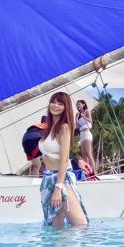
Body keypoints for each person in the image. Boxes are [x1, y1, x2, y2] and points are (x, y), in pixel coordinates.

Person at [39, 92, 88, 228]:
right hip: (49, 178)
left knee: (80, 225)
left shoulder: (64, 128)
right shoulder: (49, 128)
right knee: (56, 229)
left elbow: (64, 159)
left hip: (62, 180)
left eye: (60, 104)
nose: (56, 106)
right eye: (53, 102)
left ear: (66, 108)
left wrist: (58, 187)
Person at [75, 99, 96, 174]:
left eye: (79, 104)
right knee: (84, 154)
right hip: (81, 134)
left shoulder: (87, 111)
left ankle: (94, 172)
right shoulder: (78, 114)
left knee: (88, 153)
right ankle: (87, 172)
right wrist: (76, 118)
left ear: (83, 104)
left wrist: (83, 116)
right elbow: (77, 127)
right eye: (77, 104)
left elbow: (90, 121)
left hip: (87, 132)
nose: (78, 106)